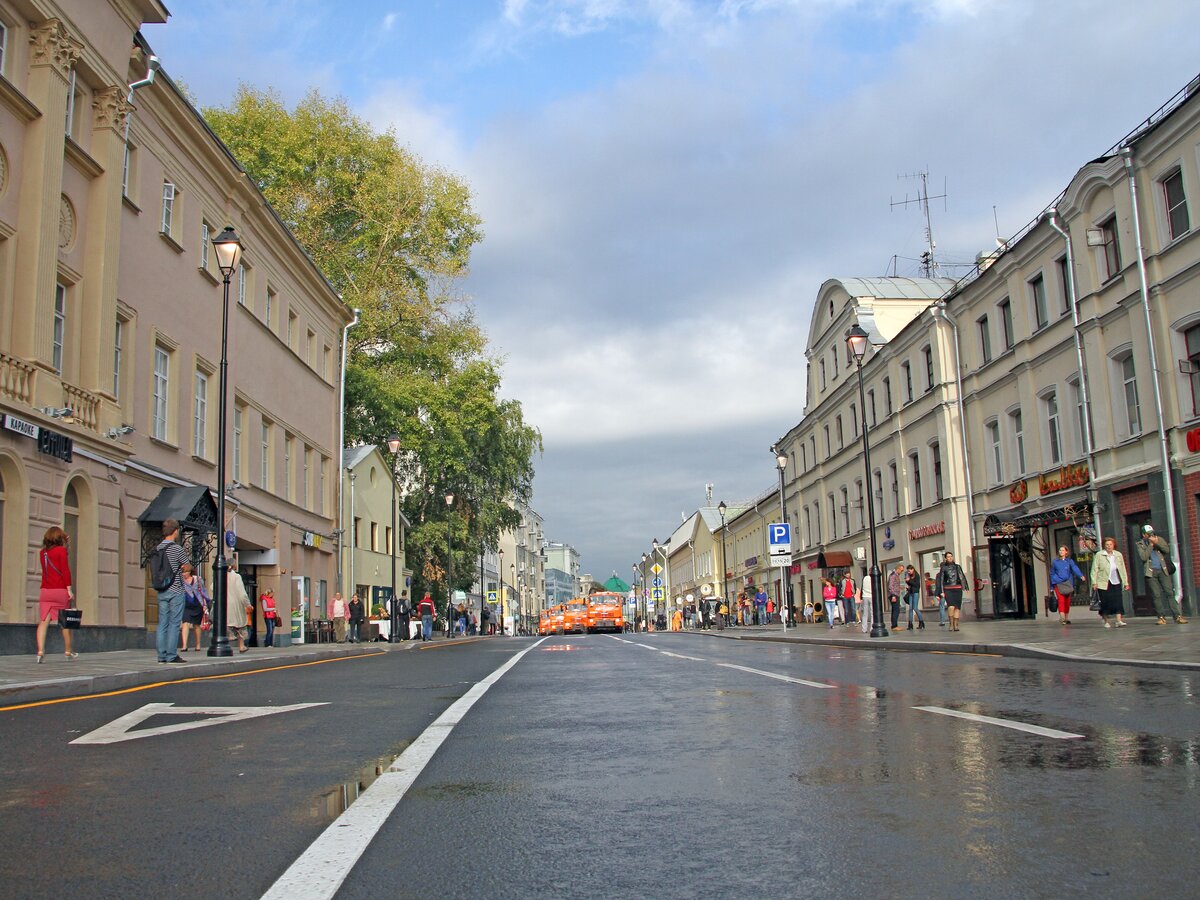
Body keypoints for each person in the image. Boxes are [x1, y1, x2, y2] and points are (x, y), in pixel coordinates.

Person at [36, 526, 77, 662]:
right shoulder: (61, 551)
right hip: (59, 590)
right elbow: (65, 571)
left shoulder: (43, 553)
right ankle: (68, 651)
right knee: (64, 623)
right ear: (59, 538)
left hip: (45, 591)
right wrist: (69, 589)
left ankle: (40, 651)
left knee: (43, 622)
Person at [1135, 524, 1187, 625]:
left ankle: (1177, 616)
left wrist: (1156, 543)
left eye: (1152, 533)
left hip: (1163, 570)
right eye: (1148, 534)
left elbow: (1166, 550)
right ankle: (1161, 617)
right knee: (1156, 595)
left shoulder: (1159, 539)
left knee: (1169, 593)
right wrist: (1150, 545)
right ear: (1143, 535)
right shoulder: (1140, 544)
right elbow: (1143, 557)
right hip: (1150, 572)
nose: (1151, 535)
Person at [153, 519, 188, 664]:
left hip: (162, 590)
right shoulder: (176, 548)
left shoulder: (157, 548)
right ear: (175, 531)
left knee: (162, 623)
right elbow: (186, 566)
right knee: (174, 623)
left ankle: (161, 656)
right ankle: (171, 655)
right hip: (175, 589)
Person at [1090, 536, 1130, 628]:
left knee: (1118, 601)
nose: (1109, 546)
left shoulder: (1118, 555)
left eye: (1110, 544)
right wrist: (1094, 582)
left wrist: (1125, 582)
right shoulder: (1099, 555)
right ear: (1104, 545)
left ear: (1114, 545)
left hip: (1116, 581)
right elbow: (1094, 569)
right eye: (1107, 544)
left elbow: (1123, 569)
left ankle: (1119, 620)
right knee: (1105, 602)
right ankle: (1106, 621)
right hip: (1103, 582)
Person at [1049, 546, 1085, 625]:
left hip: (1068, 583)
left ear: (1066, 552)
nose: (1061, 551)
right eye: (1060, 550)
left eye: (1063, 550)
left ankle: (1066, 617)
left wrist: (1080, 575)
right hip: (1058, 583)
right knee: (1061, 600)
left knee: (1067, 601)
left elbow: (1074, 568)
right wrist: (1052, 586)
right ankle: (1062, 617)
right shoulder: (1055, 562)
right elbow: (1052, 573)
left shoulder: (1069, 561)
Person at [179, 563, 210, 652]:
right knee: (185, 623)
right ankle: (184, 646)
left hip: (197, 604)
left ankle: (198, 644)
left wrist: (205, 604)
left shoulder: (198, 580)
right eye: (182, 573)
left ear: (190, 572)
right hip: (186, 604)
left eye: (185, 572)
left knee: (196, 625)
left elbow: (203, 592)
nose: (183, 574)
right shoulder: (181, 581)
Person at [935, 552, 967, 632]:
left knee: (957, 607)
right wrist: (941, 591)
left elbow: (962, 576)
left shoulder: (957, 567)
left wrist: (965, 586)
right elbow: (941, 580)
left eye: (951, 556)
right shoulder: (943, 568)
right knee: (951, 606)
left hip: (957, 588)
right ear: (945, 558)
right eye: (948, 557)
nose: (950, 558)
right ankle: (951, 624)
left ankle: (956, 625)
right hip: (948, 589)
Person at [226, 560, 251, 652]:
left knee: (228, 625)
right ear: (234, 566)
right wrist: (247, 604)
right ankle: (241, 646)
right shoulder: (236, 577)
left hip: (224, 604)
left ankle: (230, 643)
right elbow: (242, 594)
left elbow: (213, 587)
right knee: (239, 625)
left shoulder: (220, 575)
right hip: (236, 604)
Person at [905, 565, 925, 630]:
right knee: (910, 608)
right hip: (910, 592)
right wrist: (907, 582)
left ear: (913, 569)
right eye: (908, 571)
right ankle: (910, 624)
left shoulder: (917, 575)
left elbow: (916, 585)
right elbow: (910, 584)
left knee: (915, 608)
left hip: (916, 593)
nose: (909, 572)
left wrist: (909, 581)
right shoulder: (909, 576)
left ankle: (921, 622)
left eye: (909, 570)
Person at [887, 564, 905, 630]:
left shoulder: (896, 575)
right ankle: (894, 626)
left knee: (895, 610)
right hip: (894, 595)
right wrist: (893, 596)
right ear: (898, 569)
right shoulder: (893, 575)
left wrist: (900, 587)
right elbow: (890, 586)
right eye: (901, 570)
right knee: (896, 610)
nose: (902, 572)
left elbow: (894, 585)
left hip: (896, 594)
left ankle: (894, 625)